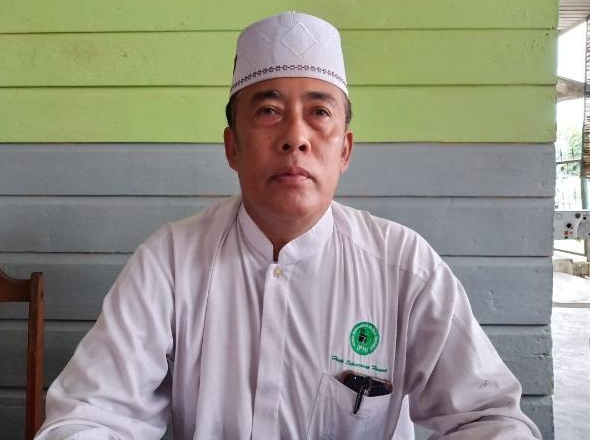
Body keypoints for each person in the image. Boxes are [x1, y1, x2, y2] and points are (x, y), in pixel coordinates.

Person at [35, 11, 542, 439]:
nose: (295, 136)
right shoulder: (168, 263)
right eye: (269, 111)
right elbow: (88, 415)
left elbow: (491, 418)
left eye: (319, 112)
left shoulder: (405, 268)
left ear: (344, 150)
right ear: (232, 146)